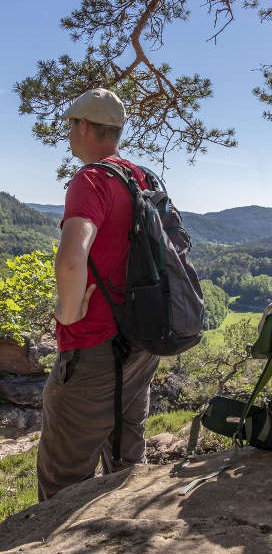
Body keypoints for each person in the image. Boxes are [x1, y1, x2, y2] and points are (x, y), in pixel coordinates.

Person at [37, 88, 160, 502]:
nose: (69, 134)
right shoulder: (140, 177)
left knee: (64, 477)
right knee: (126, 461)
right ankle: (119, 542)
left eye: (71, 125)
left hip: (93, 345)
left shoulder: (90, 179)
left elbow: (71, 260)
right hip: (142, 338)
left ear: (84, 127)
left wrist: (67, 314)